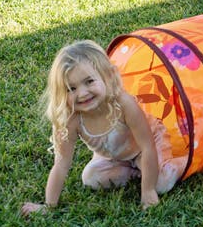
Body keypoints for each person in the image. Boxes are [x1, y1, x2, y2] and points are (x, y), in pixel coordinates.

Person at [21, 40, 186, 214]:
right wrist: (48, 205)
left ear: (108, 76)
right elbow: (61, 165)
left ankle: (184, 161)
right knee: (91, 179)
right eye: (71, 88)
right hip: (113, 155)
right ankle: (140, 171)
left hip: (147, 145)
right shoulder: (71, 119)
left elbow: (147, 146)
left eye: (89, 81)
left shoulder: (123, 104)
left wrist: (148, 191)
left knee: (161, 183)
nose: (82, 93)